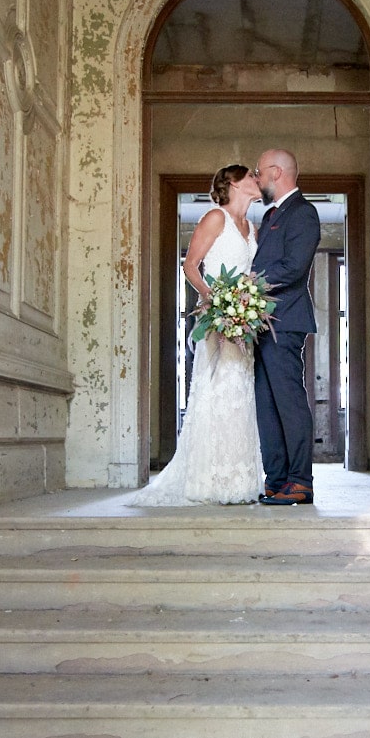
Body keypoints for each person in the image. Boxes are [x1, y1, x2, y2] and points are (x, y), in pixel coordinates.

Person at [131, 164, 264, 506]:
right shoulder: (215, 218)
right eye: (251, 175)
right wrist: (215, 301)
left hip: (243, 323)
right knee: (218, 389)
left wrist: (248, 304)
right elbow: (190, 265)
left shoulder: (251, 226)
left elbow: (251, 274)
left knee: (241, 392)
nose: (257, 180)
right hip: (218, 319)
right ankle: (209, 478)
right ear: (233, 183)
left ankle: (240, 478)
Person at [252, 149, 321, 505]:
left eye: (259, 172)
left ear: (276, 172)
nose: (257, 178)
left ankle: (300, 481)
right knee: (267, 405)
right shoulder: (271, 216)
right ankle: (277, 479)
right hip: (261, 326)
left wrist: (249, 282)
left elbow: (294, 268)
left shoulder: (303, 213)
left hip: (285, 322)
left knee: (289, 403)